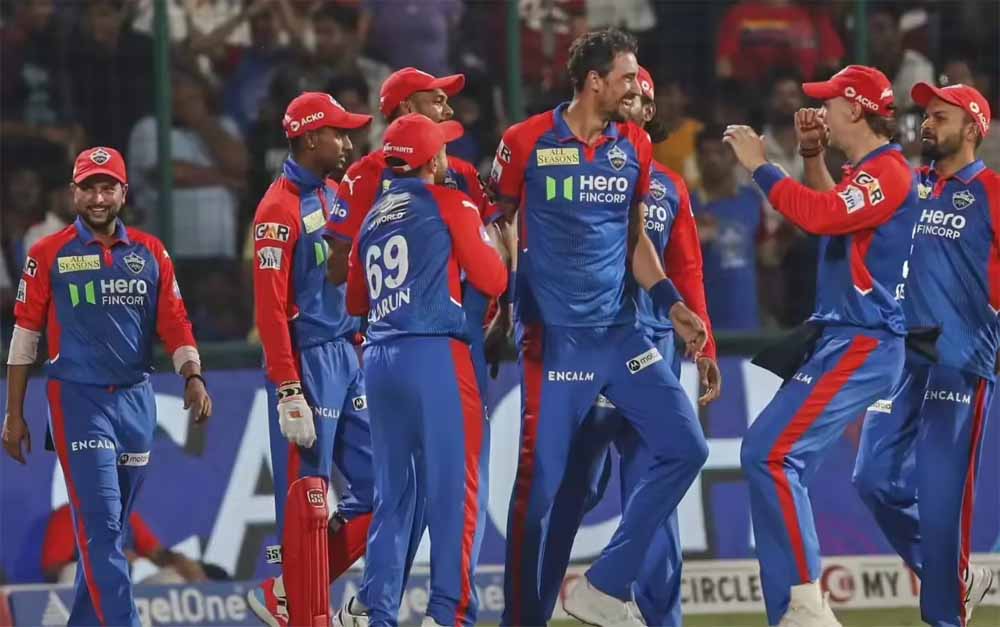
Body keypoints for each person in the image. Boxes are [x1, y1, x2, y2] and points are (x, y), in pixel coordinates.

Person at [488, 28, 709, 627]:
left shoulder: (634, 145)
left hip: (621, 335)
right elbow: (497, 223)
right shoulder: (524, 141)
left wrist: (671, 304)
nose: (637, 87)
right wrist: (502, 304)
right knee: (538, 494)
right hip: (556, 340)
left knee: (687, 446)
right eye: (628, 77)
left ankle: (604, 585)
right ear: (594, 81)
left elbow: (637, 240)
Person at [724, 65, 918, 626]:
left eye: (830, 101)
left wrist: (761, 166)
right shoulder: (868, 173)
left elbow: (820, 215)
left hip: (864, 340)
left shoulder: (889, 172)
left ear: (855, 108)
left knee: (771, 454)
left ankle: (804, 605)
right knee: (768, 456)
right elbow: (832, 215)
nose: (821, 109)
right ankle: (795, 607)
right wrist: (811, 158)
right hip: (844, 339)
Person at [1, 146, 212, 627]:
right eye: (89, 188)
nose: (98, 198)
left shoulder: (151, 251)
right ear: (73, 193)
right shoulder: (47, 253)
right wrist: (13, 414)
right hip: (77, 400)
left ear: (123, 192)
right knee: (101, 530)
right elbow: (25, 336)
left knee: (108, 535)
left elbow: (175, 321)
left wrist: (193, 376)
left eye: (107, 187)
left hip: (136, 401)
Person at [336, 113, 507, 627]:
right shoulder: (450, 202)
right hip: (436, 357)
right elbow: (492, 278)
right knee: (457, 491)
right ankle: (447, 614)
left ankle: (378, 614)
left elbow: (355, 300)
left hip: (380, 361)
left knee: (393, 497)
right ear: (433, 160)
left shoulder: (371, 219)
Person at [852, 82, 999, 627]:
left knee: (941, 504)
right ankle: (954, 577)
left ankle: (945, 615)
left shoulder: (992, 192)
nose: (927, 124)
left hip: (959, 361)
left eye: (941, 116)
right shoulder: (907, 184)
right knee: (871, 479)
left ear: (974, 128)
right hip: (900, 362)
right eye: (926, 115)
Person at [247, 92, 375, 627]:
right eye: (338, 133)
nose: (347, 142)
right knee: (309, 504)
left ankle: (287, 591)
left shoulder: (334, 193)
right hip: (308, 364)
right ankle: (305, 612)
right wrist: (287, 387)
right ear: (309, 138)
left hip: (348, 355)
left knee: (383, 489)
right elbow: (270, 310)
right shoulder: (276, 211)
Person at [326, 66, 502, 396]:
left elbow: (497, 238)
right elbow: (337, 270)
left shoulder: (462, 173)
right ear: (408, 107)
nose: (448, 111)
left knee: (467, 426)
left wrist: (490, 312)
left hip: (466, 329)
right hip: (397, 334)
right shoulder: (364, 175)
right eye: (437, 101)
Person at [693, 125, 768, 331]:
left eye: (719, 152)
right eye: (705, 153)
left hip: (747, 323)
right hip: (700, 327)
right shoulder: (684, 205)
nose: (712, 159)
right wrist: (692, 240)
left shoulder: (752, 201)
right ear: (697, 159)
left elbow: (765, 257)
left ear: (734, 157)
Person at [42, 503, 207, 584]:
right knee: (71, 572)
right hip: (91, 591)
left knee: (174, 578)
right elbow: (53, 570)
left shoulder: (127, 516)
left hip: (128, 593)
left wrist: (180, 561)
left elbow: (158, 554)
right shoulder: (69, 515)